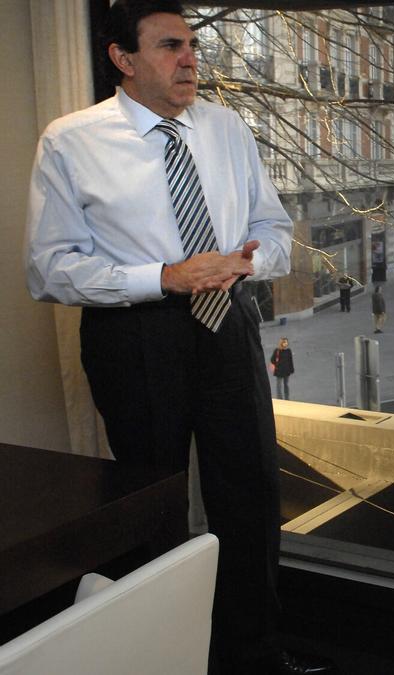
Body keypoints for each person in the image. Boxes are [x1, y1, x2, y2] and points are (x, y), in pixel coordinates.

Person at [23, 2, 332, 672]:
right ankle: (163, 656)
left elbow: (274, 229)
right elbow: (48, 268)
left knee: (249, 498)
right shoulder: (70, 141)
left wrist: (245, 262)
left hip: (229, 323)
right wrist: (164, 275)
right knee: (152, 509)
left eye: (192, 45)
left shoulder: (226, 129)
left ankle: (254, 657)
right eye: (169, 47)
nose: (191, 59)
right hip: (135, 337)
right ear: (122, 59)